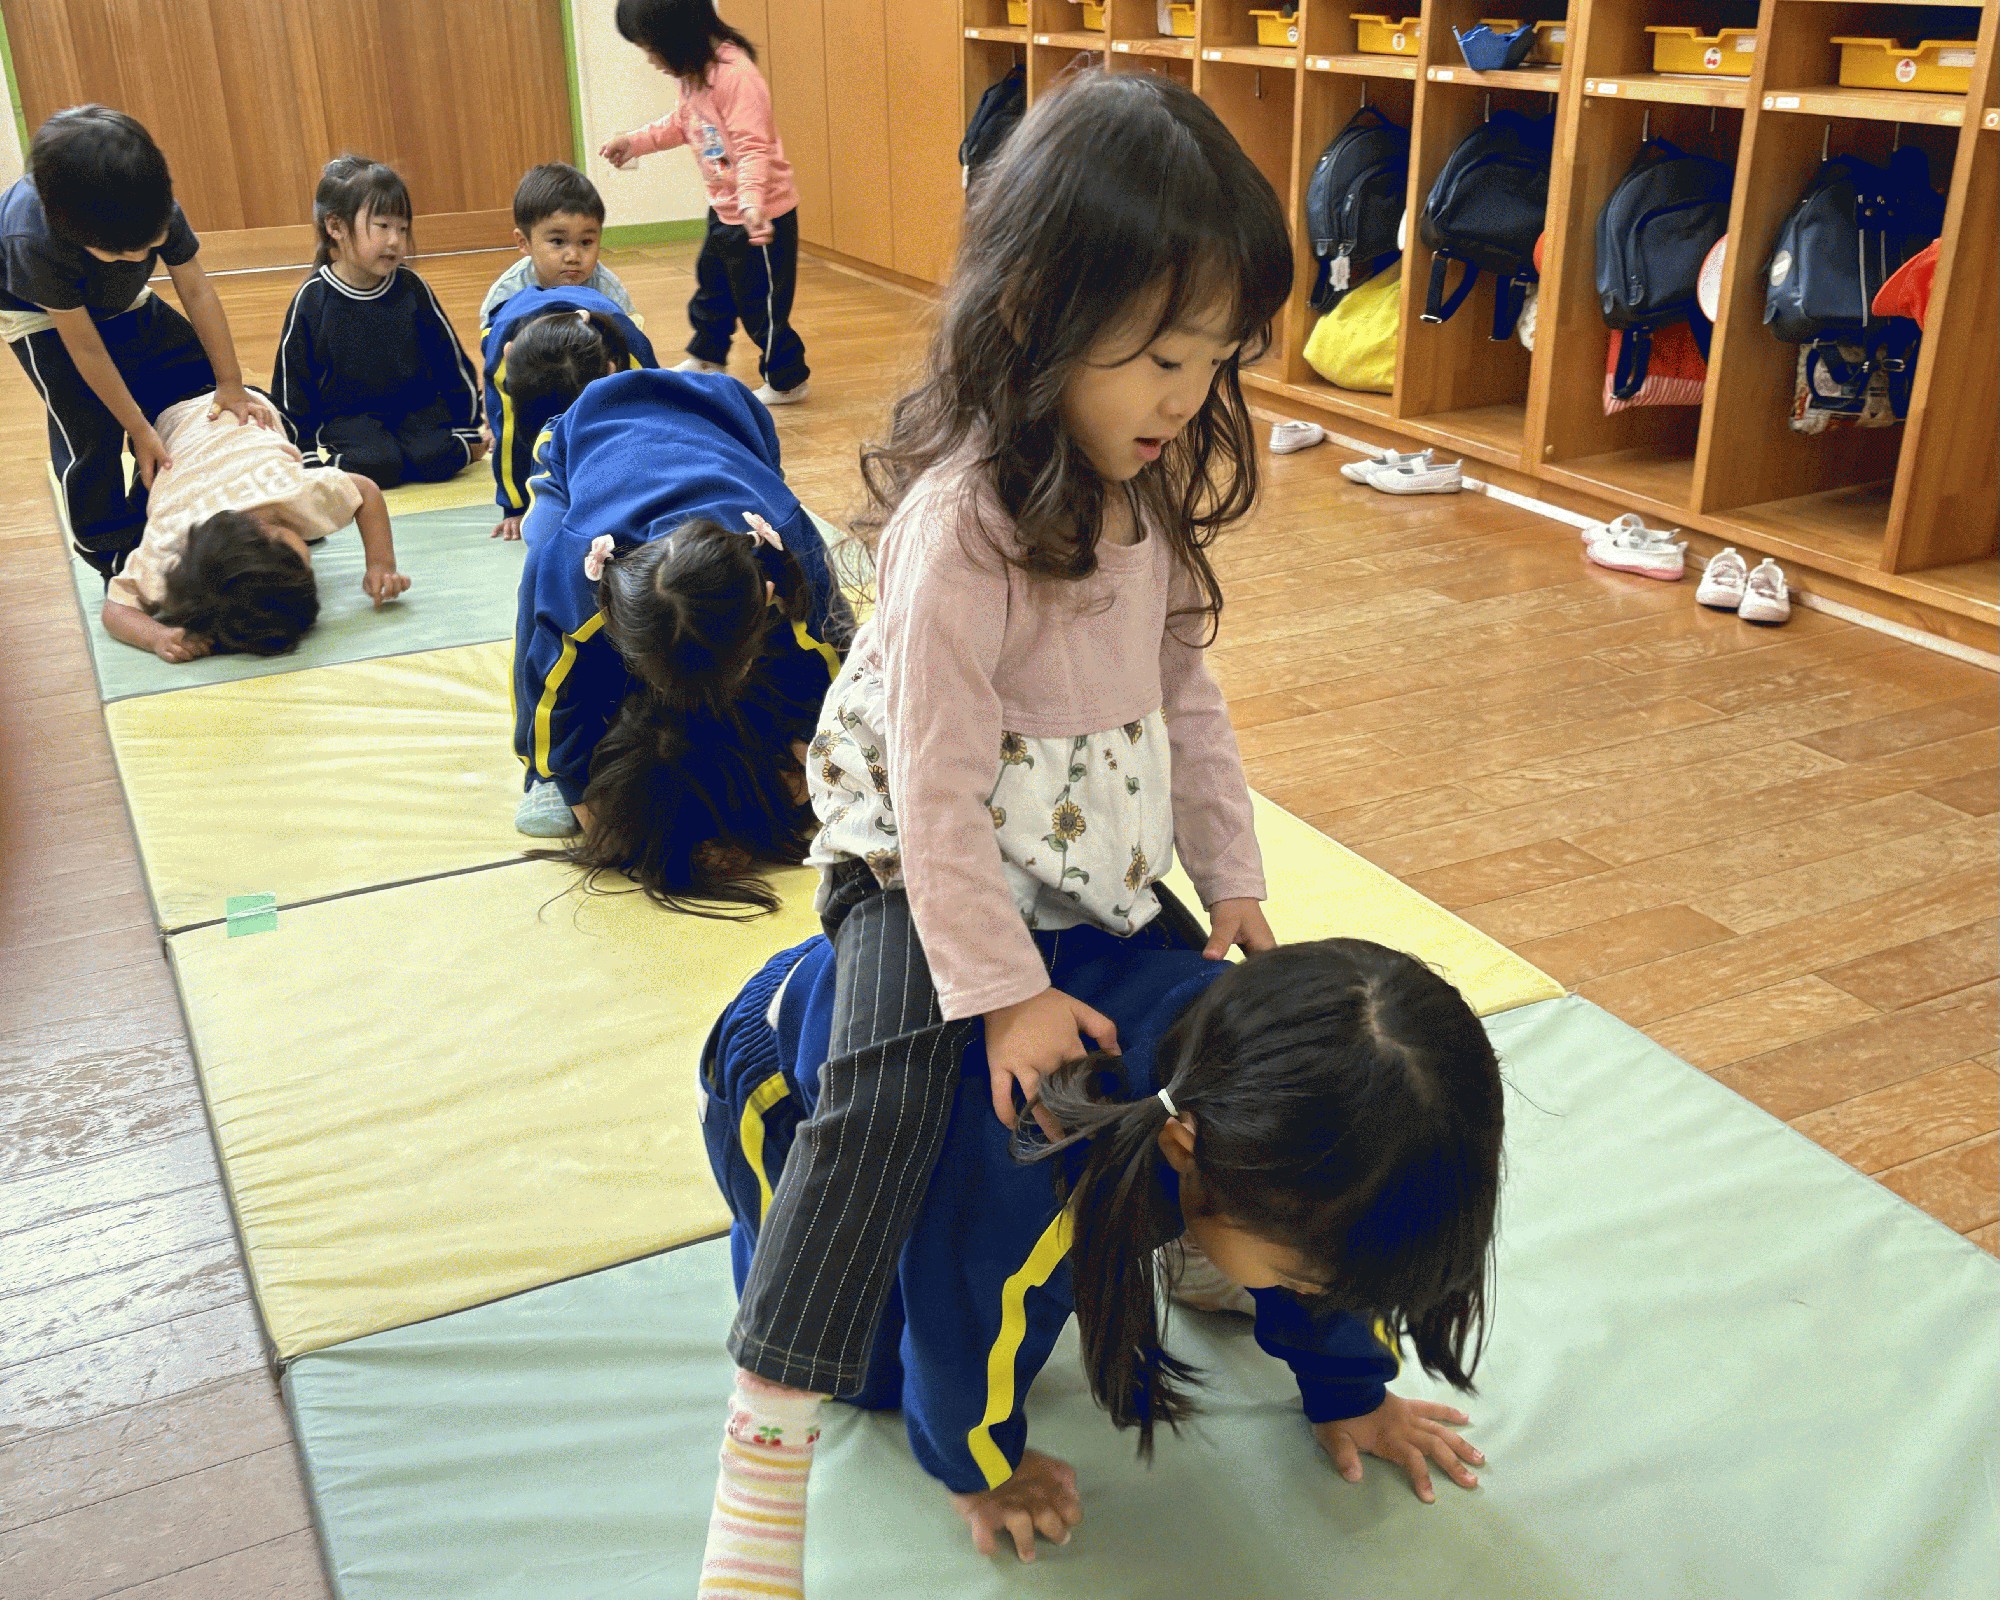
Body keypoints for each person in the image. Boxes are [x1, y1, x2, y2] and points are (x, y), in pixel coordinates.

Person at [695, 66, 1295, 1596]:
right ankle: (767, 1430)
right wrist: (1005, 989)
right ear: (1038, 313)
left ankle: (1189, 1232)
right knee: (890, 1100)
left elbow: (1190, 699)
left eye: (1214, 360)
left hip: (1088, 860)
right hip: (924, 867)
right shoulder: (961, 530)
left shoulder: (1150, 489)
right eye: (1159, 356)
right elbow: (935, 789)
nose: (1186, 397)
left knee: (1219, 1040)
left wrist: (1232, 880)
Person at [700, 931, 1502, 1581]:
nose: (1329, 1294)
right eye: (1304, 1282)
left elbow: (1347, 1252)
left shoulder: (1287, 1101)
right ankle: (1216, 1246)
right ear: (1188, 1151)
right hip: (792, 1077)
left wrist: (1351, 1391)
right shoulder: (1038, 1166)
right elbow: (960, 1327)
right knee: (869, 1377)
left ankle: (1214, 1243)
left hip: (1025, 1043)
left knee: (1310, 1244)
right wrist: (984, 1471)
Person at [511, 368, 851, 902]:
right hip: (583, 433)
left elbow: (835, 664)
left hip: (730, 417)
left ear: (766, 598)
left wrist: (819, 747)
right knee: (538, 558)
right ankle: (540, 778)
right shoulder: (578, 571)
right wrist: (571, 786)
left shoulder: (787, 551)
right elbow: (548, 691)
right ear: (618, 628)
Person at [1, 106, 268, 580]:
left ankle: (166, 508)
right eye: (124, 251)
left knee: (193, 381)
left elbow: (197, 290)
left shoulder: (151, 204)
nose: (143, 255)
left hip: (121, 296)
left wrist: (230, 382)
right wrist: (139, 428)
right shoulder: (33, 239)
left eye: (151, 243)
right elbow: (85, 348)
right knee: (89, 427)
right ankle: (109, 548)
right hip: (43, 316)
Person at [98, 386, 407, 661]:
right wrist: (156, 636)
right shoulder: (170, 542)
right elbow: (114, 610)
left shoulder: (293, 490)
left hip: (241, 406)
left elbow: (366, 491)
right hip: (179, 428)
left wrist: (381, 565)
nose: (309, 564)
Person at [599, 0, 809, 406]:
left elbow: (753, 146)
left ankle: (788, 379)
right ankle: (708, 356)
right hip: (725, 208)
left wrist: (752, 202)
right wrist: (634, 142)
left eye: (652, 49)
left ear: (679, 36)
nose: (651, 61)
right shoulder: (695, 78)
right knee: (712, 286)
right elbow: (682, 124)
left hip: (762, 215)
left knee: (761, 304)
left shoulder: (736, 76)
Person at [272, 156, 485, 488]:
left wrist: (467, 427)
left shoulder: (412, 287)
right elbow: (293, 382)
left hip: (417, 409)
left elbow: (450, 360)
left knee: (436, 458)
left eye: (402, 228)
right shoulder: (314, 298)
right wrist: (305, 451)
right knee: (376, 466)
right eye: (383, 226)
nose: (395, 241)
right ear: (336, 227)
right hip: (350, 417)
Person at [481, 293, 656, 541]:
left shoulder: (629, 346)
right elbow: (509, 433)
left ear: (611, 371)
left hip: (603, 329)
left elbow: (653, 421)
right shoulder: (504, 354)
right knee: (539, 442)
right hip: (512, 324)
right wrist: (515, 506)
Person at [477, 162, 635, 328]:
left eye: (586, 242)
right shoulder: (507, 294)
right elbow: (492, 338)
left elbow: (630, 336)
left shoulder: (607, 290)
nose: (573, 256)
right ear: (524, 242)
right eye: (558, 242)